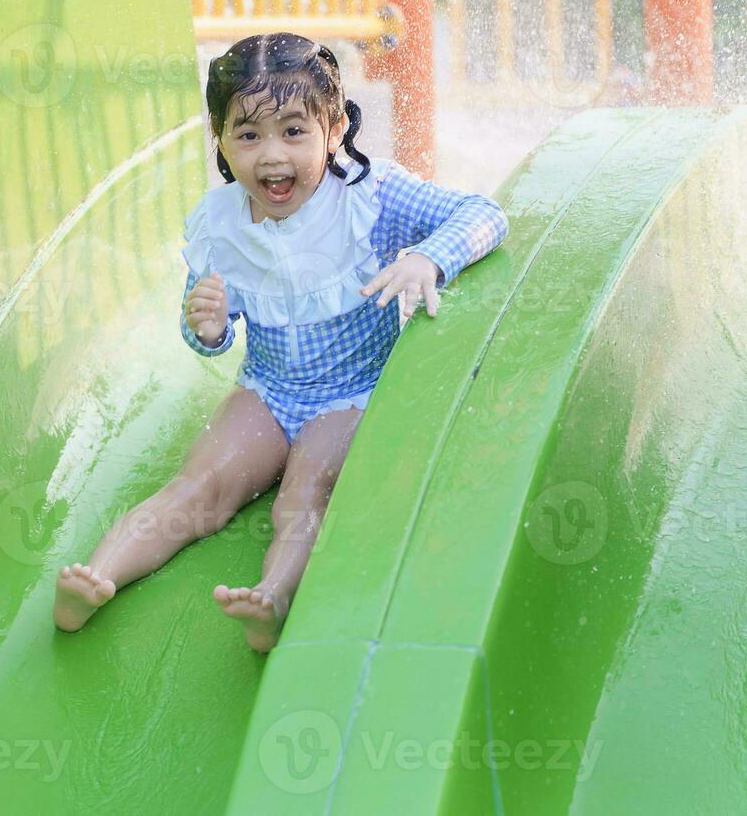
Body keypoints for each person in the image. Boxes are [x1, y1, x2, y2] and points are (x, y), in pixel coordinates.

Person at [53, 33, 509, 652]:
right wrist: (207, 329)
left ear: (335, 127)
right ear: (219, 139)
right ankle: (96, 578)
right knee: (197, 489)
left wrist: (428, 258)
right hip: (266, 391)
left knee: (304, 489)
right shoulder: (221, 224)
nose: (272, 156)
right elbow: (205, 333)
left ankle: (273, 595)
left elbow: (485, 214)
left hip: (352, 394)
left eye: (294, 132)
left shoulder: (369, 197)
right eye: (248, 135)